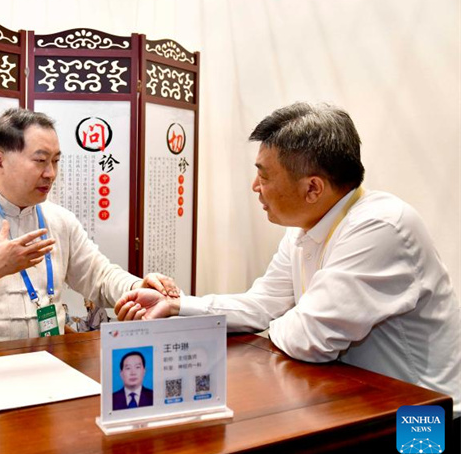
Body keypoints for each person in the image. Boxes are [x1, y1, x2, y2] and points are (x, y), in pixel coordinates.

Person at [115, 102, 461, 422]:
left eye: (264, 176)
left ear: (313, 188)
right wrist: (175, 306)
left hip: (425, 415)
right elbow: (261, 305)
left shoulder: (381, 227)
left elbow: (310, 339)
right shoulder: (309, 225)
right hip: (362, 403)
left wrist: (281, 319)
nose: (255, 187)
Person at [0, 107, 178, 347]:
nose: (50, 173)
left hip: (51, 360)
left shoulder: (59, 220)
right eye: (40, 160)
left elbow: (99, 276)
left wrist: (138, 287)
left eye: (56, 161)